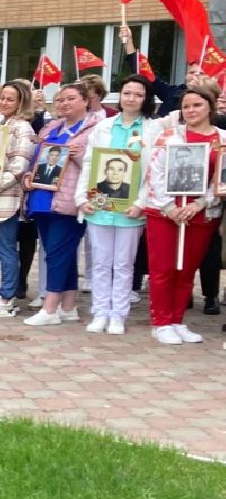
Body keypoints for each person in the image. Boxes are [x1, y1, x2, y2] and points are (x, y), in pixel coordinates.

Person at [136, 85, 224, 344]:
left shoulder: (222, 138)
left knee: (186, 269)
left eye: (197, 105)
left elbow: (222, 177)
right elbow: (154, 173)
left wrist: (200, 203)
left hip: (201, 213)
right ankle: (161, 322)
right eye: (186, 106)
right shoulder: (169, 136)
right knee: (163, 269)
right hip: (165, 212)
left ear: (209, 106)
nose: (191, 110)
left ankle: (177, 320)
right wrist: (170, 208)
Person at [75, 73, 152, 335]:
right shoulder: (104, 126)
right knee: (100, 262)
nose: (132, 99)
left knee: (123, 265)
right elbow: (89, 163)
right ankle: (100, 312)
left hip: (131, 210)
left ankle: (118, 314)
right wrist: (82, 198)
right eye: (127, 93)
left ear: (146, 99)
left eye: (138, 95)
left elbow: (152, 171)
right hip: (100, 207)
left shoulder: (151, 129)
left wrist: (141, 202)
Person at [22, 83, 100, 328]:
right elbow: (37, 160)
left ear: (85, 100)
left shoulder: (96, 129)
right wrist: (28, 177)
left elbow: (100, 166)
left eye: (71, 98)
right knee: (60, 254)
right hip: (42, 199)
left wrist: (79, 155)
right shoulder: (51, 127)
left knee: (56, 254)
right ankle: (68, 306)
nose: (64, 103)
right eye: (60, 99)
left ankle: (50, 307)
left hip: (69, 201)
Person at [0, 79, 37, 319]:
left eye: (10, 99)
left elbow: (19, 167)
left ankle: (7, 297)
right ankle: (4, 294)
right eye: (2, 97)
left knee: (6, 249)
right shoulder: (1, 124)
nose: (3, 102)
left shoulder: (23, 128)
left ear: (21, 102)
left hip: (6, 197)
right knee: (2, 248)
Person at [119, 23, 206, 117]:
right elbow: (146, 76)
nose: (195, 76)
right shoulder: (173, 92)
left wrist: (201, 91)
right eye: (191, 73)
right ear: (186, 75)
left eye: (200, 73)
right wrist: (128, 42)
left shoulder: (213, 99)